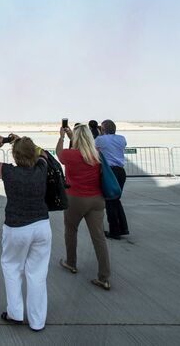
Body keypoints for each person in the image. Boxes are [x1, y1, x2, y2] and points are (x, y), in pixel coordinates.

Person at [0, 134, 51, 332]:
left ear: (14, 155)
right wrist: (24, 142)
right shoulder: (41, 168)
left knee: (12, 268)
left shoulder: (9, 172)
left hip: (16, 227)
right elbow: (43, 153)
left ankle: (15, 313)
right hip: (41, 226)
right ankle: (37, 321)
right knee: (37, 274)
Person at [57, 124, 111, 291]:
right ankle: (104, 278)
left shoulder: (70, 155)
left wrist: (61, 137)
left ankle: (71, 263)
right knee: (99, 238)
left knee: (71, 230)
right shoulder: (97, 155)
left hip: (76, 198)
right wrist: (74, 137)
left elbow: (59, 153)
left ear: (77, 139)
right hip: (97, 199)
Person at [95, 120, 129, 239]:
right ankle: (122, 228)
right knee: (116, 200)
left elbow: (94, 149)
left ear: (103, 129)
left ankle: (115, 231)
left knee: (110, 201)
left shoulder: (100, 139)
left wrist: (99, 135)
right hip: (120, 171)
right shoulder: (122, 138)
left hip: (109, 172)